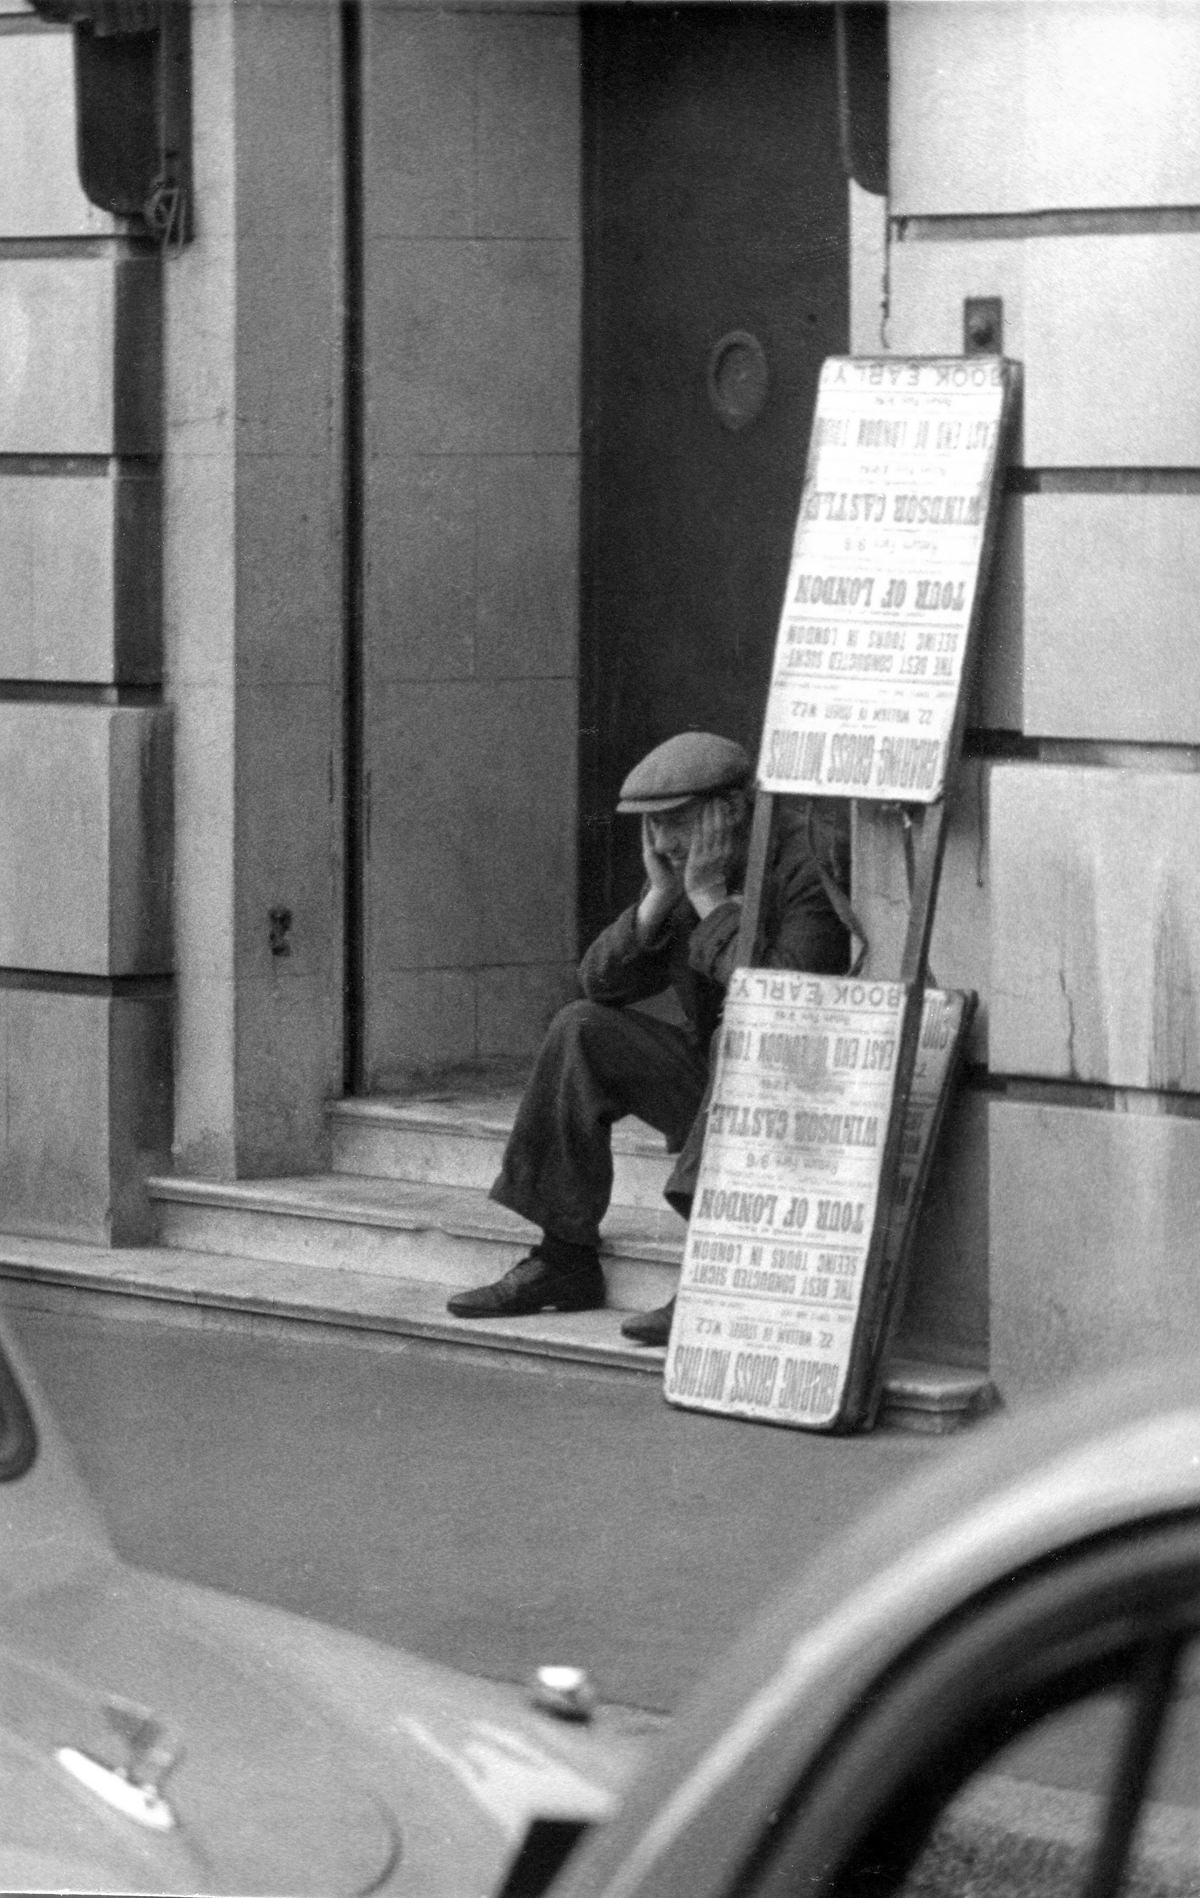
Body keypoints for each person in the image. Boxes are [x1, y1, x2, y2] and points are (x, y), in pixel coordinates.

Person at [447, 731, 851, 1347]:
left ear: (732, 810)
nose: (662, 842)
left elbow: (786, 1005)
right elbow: (601, 981)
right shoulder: (689, 871)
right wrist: (660, 900)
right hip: (712, 1086)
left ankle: (715, 1269)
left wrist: (711, 901)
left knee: (737, 1042)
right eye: (652, 826)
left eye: (676, 821)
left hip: (794, 1090)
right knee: (580, 1026)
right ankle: (564, 1258)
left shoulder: (808, 861)